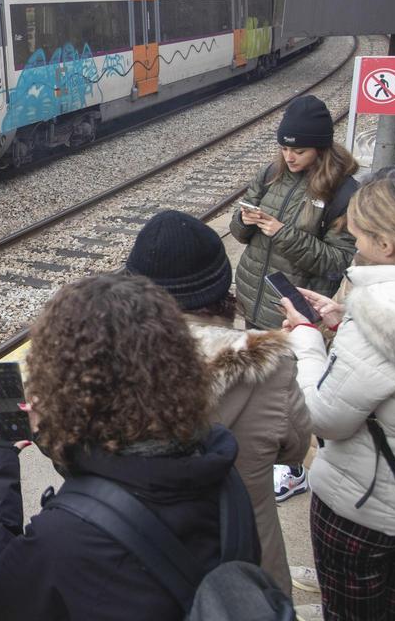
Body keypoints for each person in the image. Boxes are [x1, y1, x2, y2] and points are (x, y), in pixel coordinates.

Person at [0, 273, 253, 621]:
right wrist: (56, 434)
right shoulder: (218, 466)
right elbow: (125, 475)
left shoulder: (64, 538)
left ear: (62, 384)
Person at [125, 209, 312, 598]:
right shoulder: (271, 367)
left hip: (141, 560)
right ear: (220, 288)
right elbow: (294, 448)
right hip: (245, 559)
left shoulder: (101, 360)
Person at [279, 166, 395, 620]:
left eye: (360, 233)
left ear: (387, 246)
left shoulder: (378, 319)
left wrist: (306, 337)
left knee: (351, 610)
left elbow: (325, 417)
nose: (354, 241)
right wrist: (343, 318)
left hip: (365, 509)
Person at [230, 95, 359, 331]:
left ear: (320, 149)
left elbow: (339, 262)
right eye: (284, 148)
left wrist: (282, 233)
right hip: (252, 300)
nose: (289, 157)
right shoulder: (270, 173)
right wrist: (243, 220)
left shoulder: (343, 192)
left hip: (295, 314)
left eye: (299, 151)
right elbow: (238, 233)